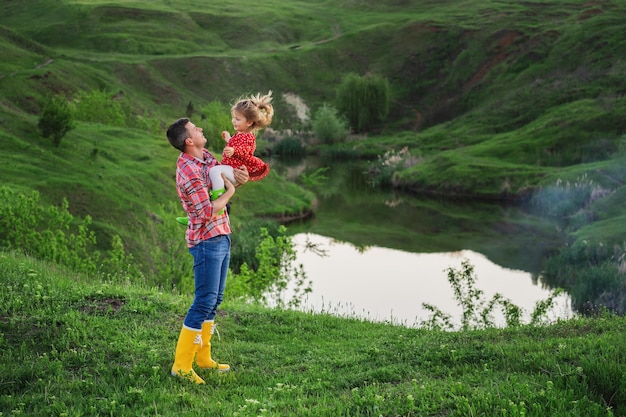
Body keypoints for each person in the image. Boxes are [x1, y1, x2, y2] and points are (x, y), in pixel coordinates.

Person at [166, 117, 249, 384]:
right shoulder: (188, 170)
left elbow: (225, 177)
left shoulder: (206, 158)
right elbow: (206, 211)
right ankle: (181, 365)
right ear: (189, 140)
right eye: (196, 129)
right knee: (203, 301)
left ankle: (203, 358)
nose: (201, 129)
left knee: (215, 300)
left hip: (222, 234)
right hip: (206, 240)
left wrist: (241, 177)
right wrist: (232, 191)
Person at [176, 91, 273, 224]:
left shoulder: (248, 137)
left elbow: (245, 151)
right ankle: (195, 216)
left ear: (249, 122)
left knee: (215, 171)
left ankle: (218, 204)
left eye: (238, 119)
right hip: (231, 168)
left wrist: (233, 150)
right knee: (211, 180)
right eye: (233, 117)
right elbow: (235, 144)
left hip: (233, 169)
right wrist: (228, 139)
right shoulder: (239, 135)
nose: (234, 121)